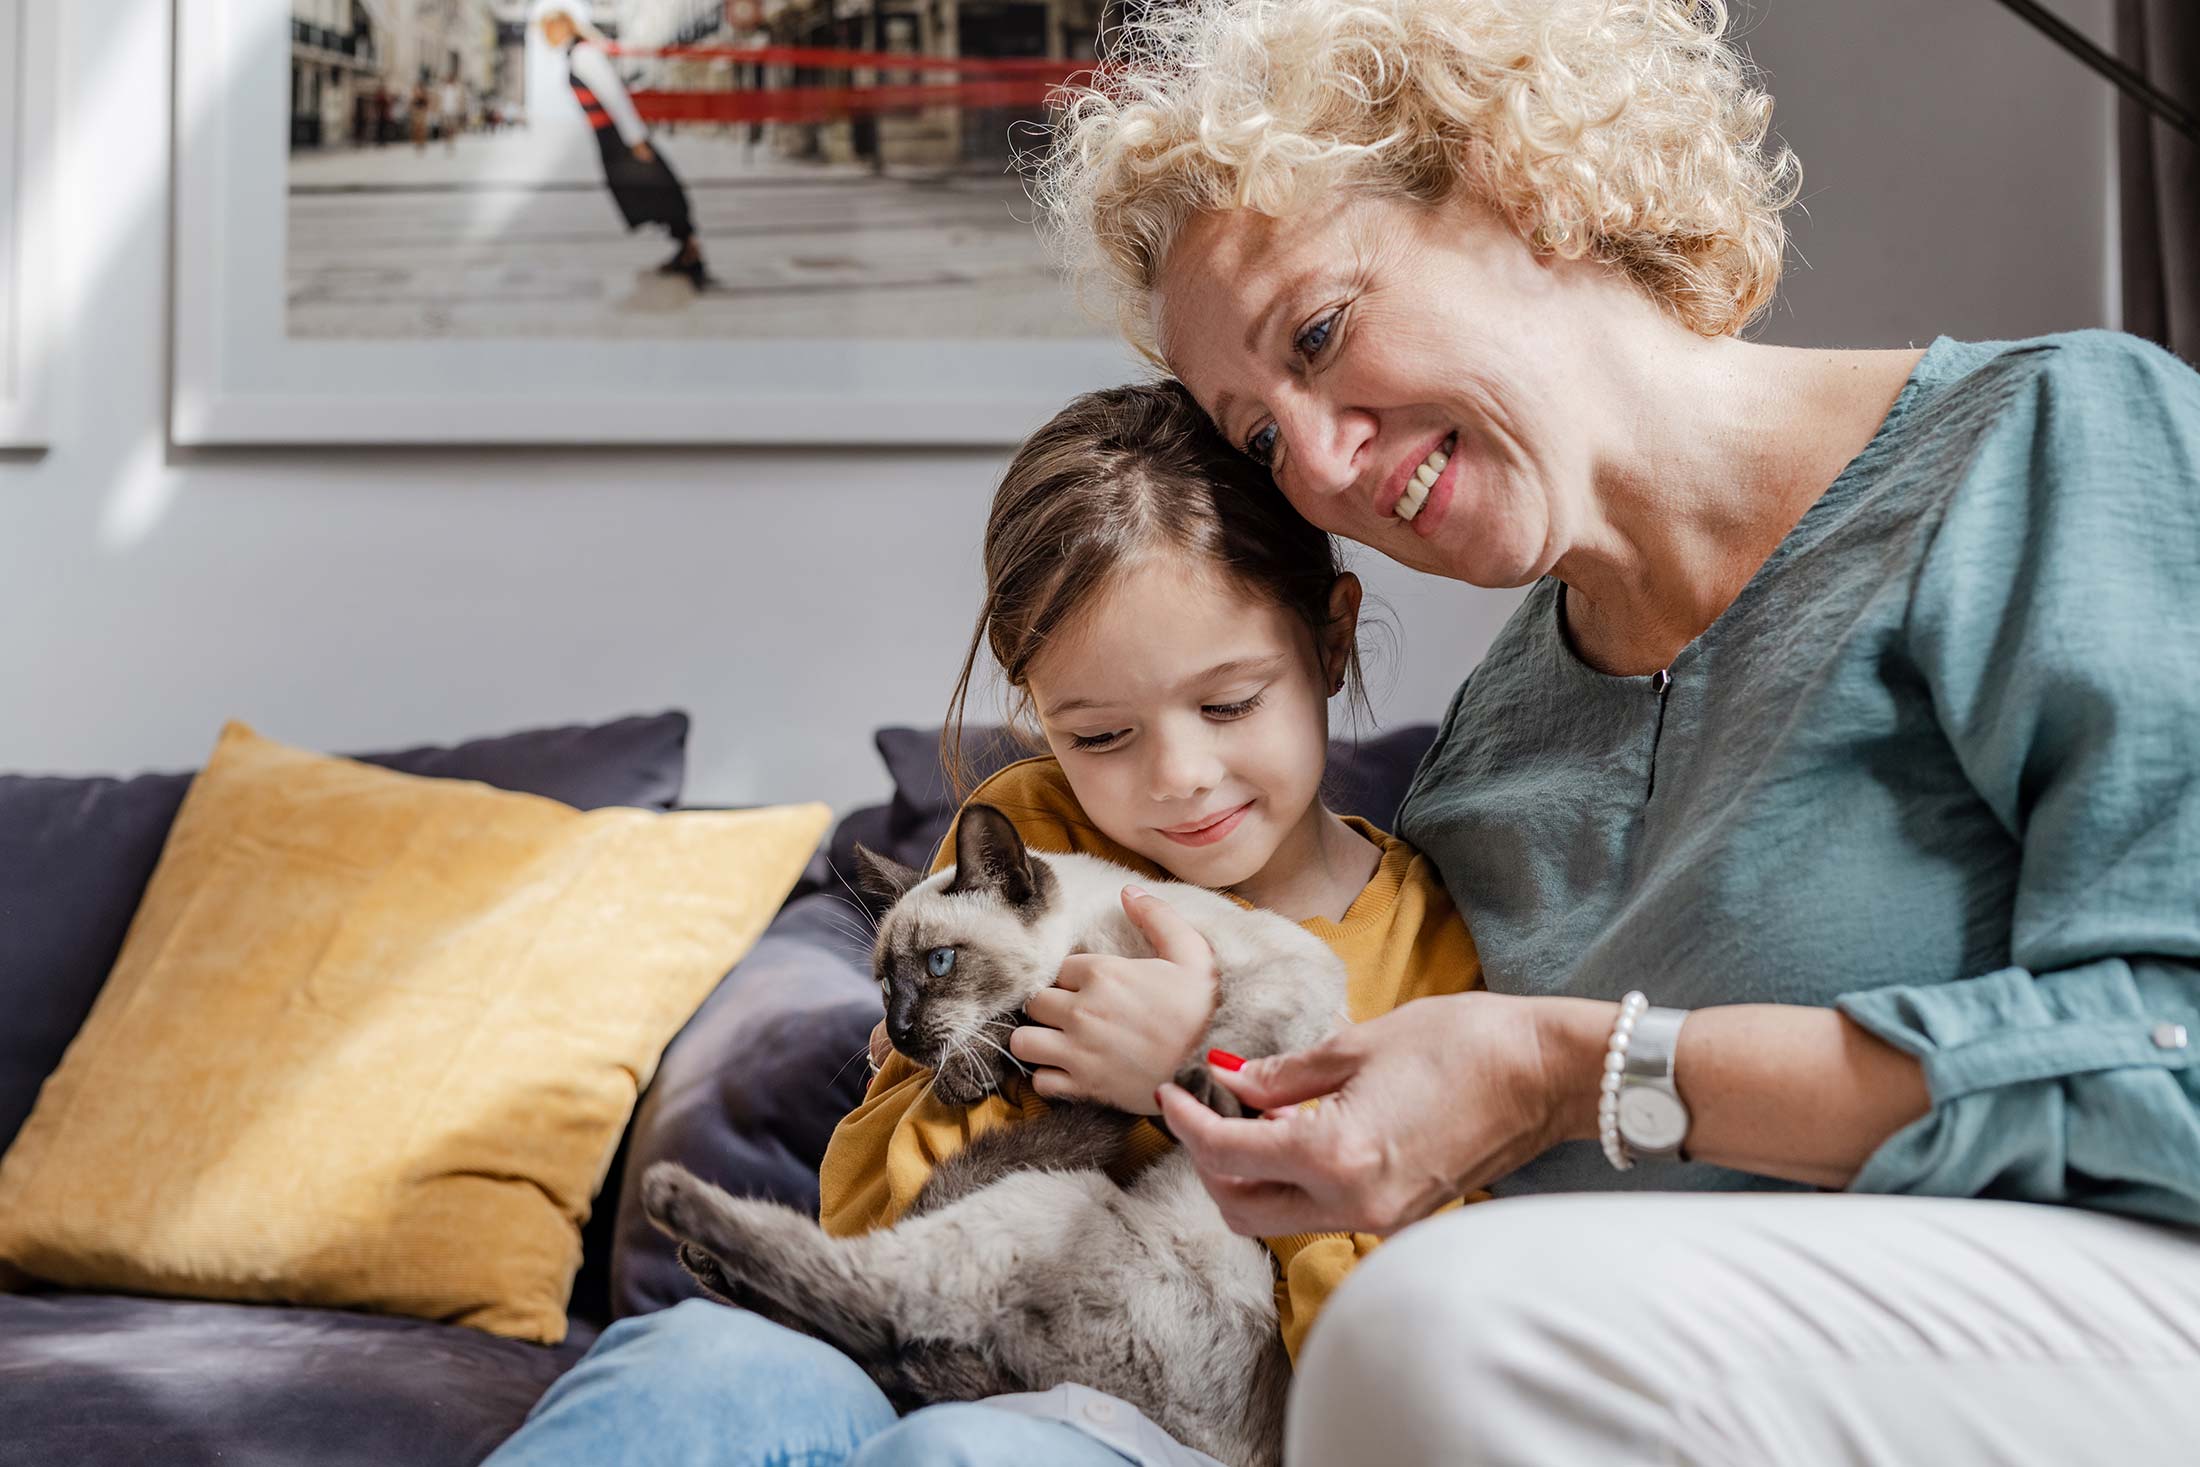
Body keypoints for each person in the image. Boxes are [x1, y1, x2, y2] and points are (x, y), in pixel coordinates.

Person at [1034, 0, 2200, 1461]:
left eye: (1320, 334)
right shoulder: (1489, 761)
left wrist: (1566, 1069)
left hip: (2114, 1319)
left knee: (1434, 1325)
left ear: (1521, 185)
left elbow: (2175, 1061)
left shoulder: (2054, 445)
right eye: (1261, 438)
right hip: (1662, 1407)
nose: (1318, 464)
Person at [482, 382, 1484, 1467]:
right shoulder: (1028, 840)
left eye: (1228, 704)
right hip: (927, 1342)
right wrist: (997, 1062)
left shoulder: (1428, 942)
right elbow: (874, 1216)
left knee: (961, 1453)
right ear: (1035, 708)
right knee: (690, 1362)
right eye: (1099, 735)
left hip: (1193, 1425)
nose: (1179, 777)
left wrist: (1190, 1073)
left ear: (1331, 640)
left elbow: (1403, 1343)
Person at [532, 1, 711, 290]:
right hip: (611, 138)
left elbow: (615, 96)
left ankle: (691, 252)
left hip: (620, 138)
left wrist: (636, 140)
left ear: (560, 27)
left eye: (546, 30)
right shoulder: (577, 53)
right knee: (647, 194)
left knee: (658, 191)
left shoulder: (584, 54)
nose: (544, 37)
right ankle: (685, 249)